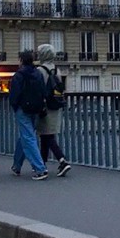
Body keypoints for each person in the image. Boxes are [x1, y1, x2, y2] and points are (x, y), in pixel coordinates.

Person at [9, 51, 49, 180]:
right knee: (26, 136)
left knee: (28, 137)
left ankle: (40, 168)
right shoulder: (38, 73)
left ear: (21, 60)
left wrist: (15, 106)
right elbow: (44, 91)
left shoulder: (19, 75)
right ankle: (16, 165)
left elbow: (14, 94)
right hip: (36, 108)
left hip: (23, 108)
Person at [35, 44, 71, 177]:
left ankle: (62, 160)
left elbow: (38, 90)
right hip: (56, 106)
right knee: (46, 135)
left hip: (45, 107)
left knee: (47, 136)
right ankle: (42, 163)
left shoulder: (40, 70)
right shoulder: (57, 70)